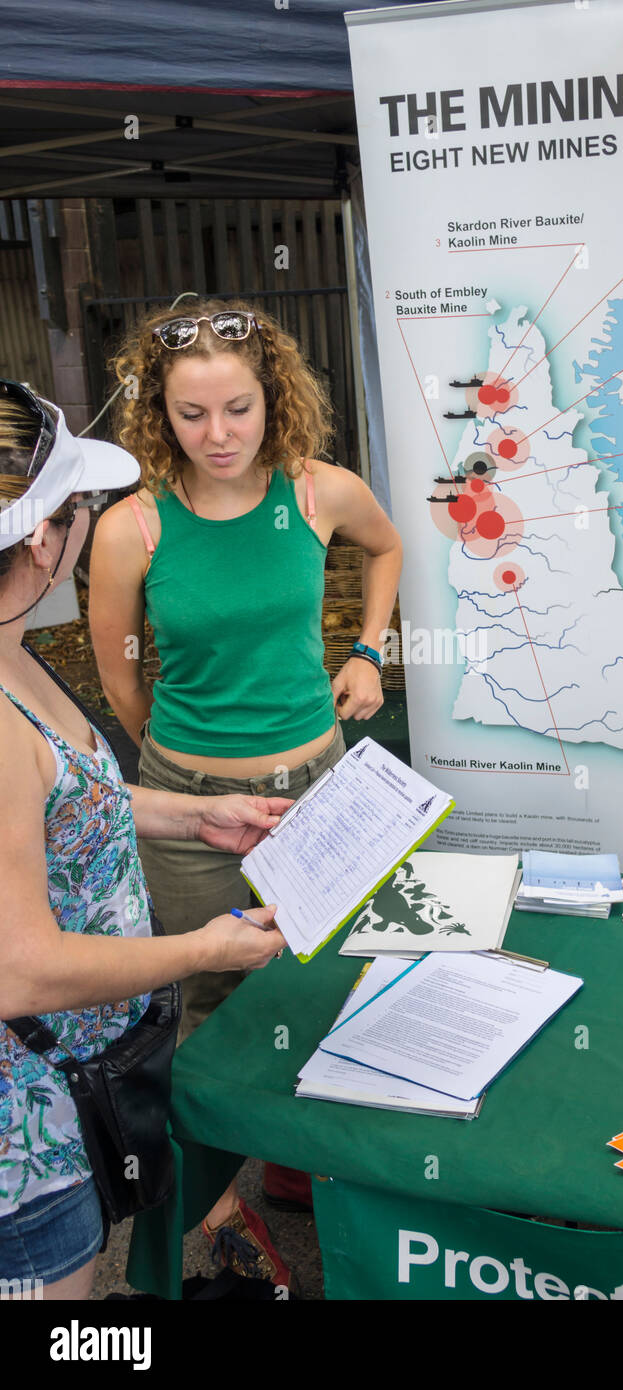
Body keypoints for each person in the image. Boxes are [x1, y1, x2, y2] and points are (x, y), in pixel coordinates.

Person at [87, 300, 402, 1272]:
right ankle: (220, 1212)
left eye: (237, 408)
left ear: (274, 400)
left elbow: (386, 547)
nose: (217, 434)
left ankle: (299, 1161)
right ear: (158, 415)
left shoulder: (315, 492)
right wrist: (186, 768)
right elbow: (120, 677)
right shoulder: (130, 526)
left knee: (323, 971)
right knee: (201, 996)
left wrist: (366, 652)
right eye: (192, 414)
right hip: (186, 809)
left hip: (318, 783)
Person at [0, 380, 287, 1300]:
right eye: (79, 505)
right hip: (24, 1133)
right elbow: (18, 968)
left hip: (62, 1084)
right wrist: (203, 947)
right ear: (44, 537)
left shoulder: (10, 644)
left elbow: (63, 802)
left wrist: (187, 814)